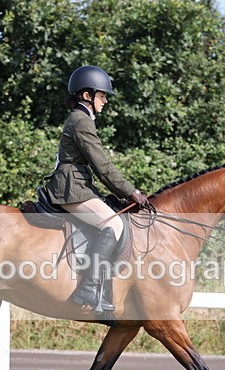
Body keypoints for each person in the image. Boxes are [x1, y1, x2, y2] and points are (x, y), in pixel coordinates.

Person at [43, 65, 150, 313]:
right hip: (70, 188)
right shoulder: (81, 121)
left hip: (78, 185)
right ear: (86, 95)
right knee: (113, 224)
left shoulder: (81, 119)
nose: (105, 101)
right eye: (102, 96)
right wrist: (132, 192)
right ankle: (87, 288)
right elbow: (102, 165)